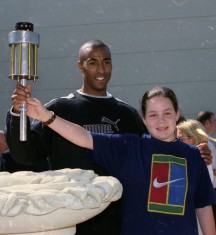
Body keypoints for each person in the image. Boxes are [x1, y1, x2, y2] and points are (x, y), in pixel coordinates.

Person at [24, 86, 216, 235]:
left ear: (177, 114)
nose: (161, 121)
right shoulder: (129, 148)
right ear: (143, 119)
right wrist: (46, 117)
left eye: (167, 113)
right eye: (153, 115)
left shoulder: (193, 156)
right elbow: (83, 136)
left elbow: (203, 206)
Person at [5, 39, 147, 235]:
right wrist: (16, 112)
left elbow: (152, 159)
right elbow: (25, 155)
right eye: (93, 62)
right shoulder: (58, 109)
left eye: (106, 61)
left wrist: (195, 155)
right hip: (68, 220)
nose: (101, 69)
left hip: (116, 222)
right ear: (80, 66)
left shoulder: (128, 115)